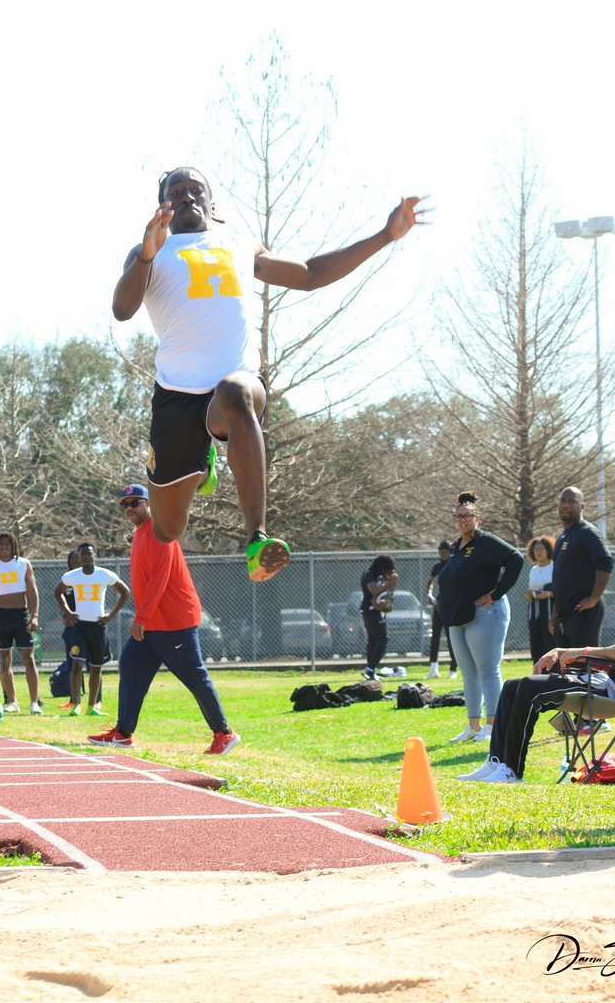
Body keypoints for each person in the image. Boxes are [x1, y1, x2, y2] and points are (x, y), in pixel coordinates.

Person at [112, 167, 427, 583]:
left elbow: (310, 274)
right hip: (176, 395)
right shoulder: (150, 250)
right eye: (177, 192)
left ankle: (257, 539)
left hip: (235, 384)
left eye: (196, 190)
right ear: (164, 204)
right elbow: (122, 309)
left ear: (213, 203)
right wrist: (147, 255)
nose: (188, 196)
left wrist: (385, 235)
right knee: (168, 529)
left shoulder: (238, 242)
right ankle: (207, 455)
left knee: (235, 391)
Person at [457, 566, 615, 783]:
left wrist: (582, 651)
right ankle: (496, 761)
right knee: (511, 686)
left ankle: (511, 771)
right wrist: (562, 652)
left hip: (613, 691)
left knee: (528, 687)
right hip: (600, 681)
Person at [88, 484, 240, 754]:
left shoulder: (161, 532)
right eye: (124, 504)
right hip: (152, 624)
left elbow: (160, 579)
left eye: (134, 502)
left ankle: (224, 733)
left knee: (194, 676)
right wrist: (144, 618)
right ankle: (123, 733)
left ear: (149, 504)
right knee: (131, 665)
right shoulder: (140, 534)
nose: (129, 508)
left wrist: (141, 618)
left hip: (174, 622)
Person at [437, 492, 524, 743]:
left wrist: (496, 593)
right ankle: (473, 726)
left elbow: (515, 559)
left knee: (487, 669)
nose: (463, 520)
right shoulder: (456, 546)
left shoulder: (486, 542)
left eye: (468, 516)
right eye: (459, 516)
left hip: (485, 613)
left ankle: (493, 725)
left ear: (478, 518)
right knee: (468, 672)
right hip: (458, 617)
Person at [54, 543, 129, 716]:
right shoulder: (72, 576)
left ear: (94, 555)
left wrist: (111, 615)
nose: (86, 557)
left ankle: (92, 706)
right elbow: (57, 592)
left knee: (96, 668)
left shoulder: (104, 574)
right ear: (79, 558)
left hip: (98, 627)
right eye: (83, 554)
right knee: (76, 665)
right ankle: (76, 704)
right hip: (80, 627)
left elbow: (124, 592)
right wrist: (68, 612)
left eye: (89, 553)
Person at [0, 533, 42, 715]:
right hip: (1, 617)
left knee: (29, 659)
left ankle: (34, 703)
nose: (4, 547)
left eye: (8, 544)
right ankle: (12, 701)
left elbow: (32, 592)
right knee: (4, 661)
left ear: (14, 546)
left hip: (20, 616)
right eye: (1, 545)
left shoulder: (23, 564)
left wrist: (34, 616)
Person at [549, 486, 613, 647]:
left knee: (583, 667)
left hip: (583, 613)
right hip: (564, 614)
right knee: (563, 668)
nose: (565, 505)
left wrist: (594, 598)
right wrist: (555, 613)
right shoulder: (563, 536)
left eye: (572, 501)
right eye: (562, 500)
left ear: (582, 506)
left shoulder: (588, 533)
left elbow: (605, 562)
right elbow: (560, 578)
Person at [56, 549, 103, 710]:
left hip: (90, 626)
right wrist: (66, 615)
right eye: (73, 560)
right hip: (72, 628)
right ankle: (74, 699)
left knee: (94, 665)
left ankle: (96, 700)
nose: (77, 562)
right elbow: (61, 600)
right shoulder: (69, 581)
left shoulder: (87, 579)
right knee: (74, 664)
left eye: (79, 559)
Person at [360, 556, 397, 681]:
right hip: (369, 610)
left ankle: (370, 670)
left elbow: (389, 592)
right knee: (383, 638)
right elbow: (373, 589)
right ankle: (370, 668)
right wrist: (389, 582)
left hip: (376, 611)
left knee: (374, 639)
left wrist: (392, 583)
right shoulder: (369, 574)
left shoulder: (382, 577)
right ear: (382, 566)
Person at [425, 540, 458, 679]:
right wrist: (430, 595)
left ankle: (453, 669)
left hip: (451, 606)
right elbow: (430, 582)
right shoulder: (437, 567)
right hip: (439, 605)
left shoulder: (455, 565)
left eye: (445, 552)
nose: (443, 555)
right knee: (435, 636)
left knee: (452, 638)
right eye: (441, 552)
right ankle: (433, 668)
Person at [525, 535, 555, 666]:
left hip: (550, 611)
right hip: (535, 612)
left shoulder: (555, 567)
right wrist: (530, 594)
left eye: (542, 549)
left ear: (548, 550)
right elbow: (531, 590)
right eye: (536, 549)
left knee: (549, 641)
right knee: (536, 642)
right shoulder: (533, 570)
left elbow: (562, 590)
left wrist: (548, 594)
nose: (539, 552)